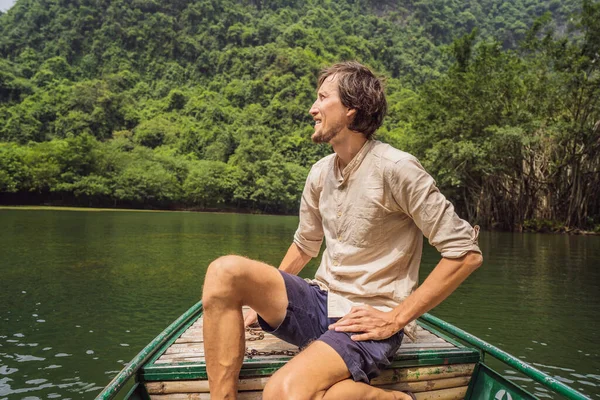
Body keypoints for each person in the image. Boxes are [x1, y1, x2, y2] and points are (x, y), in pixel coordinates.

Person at [202, 61, 483, 400]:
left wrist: (395, 319)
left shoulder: (397, 169)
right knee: (224, 272)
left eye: (322, 98)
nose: (312, 108)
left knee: (283, 391)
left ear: (351, 109)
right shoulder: (320, 173)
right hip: (321, 301)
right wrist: (259, 302)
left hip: (367, 319)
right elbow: (306, 244)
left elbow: (465, 253)